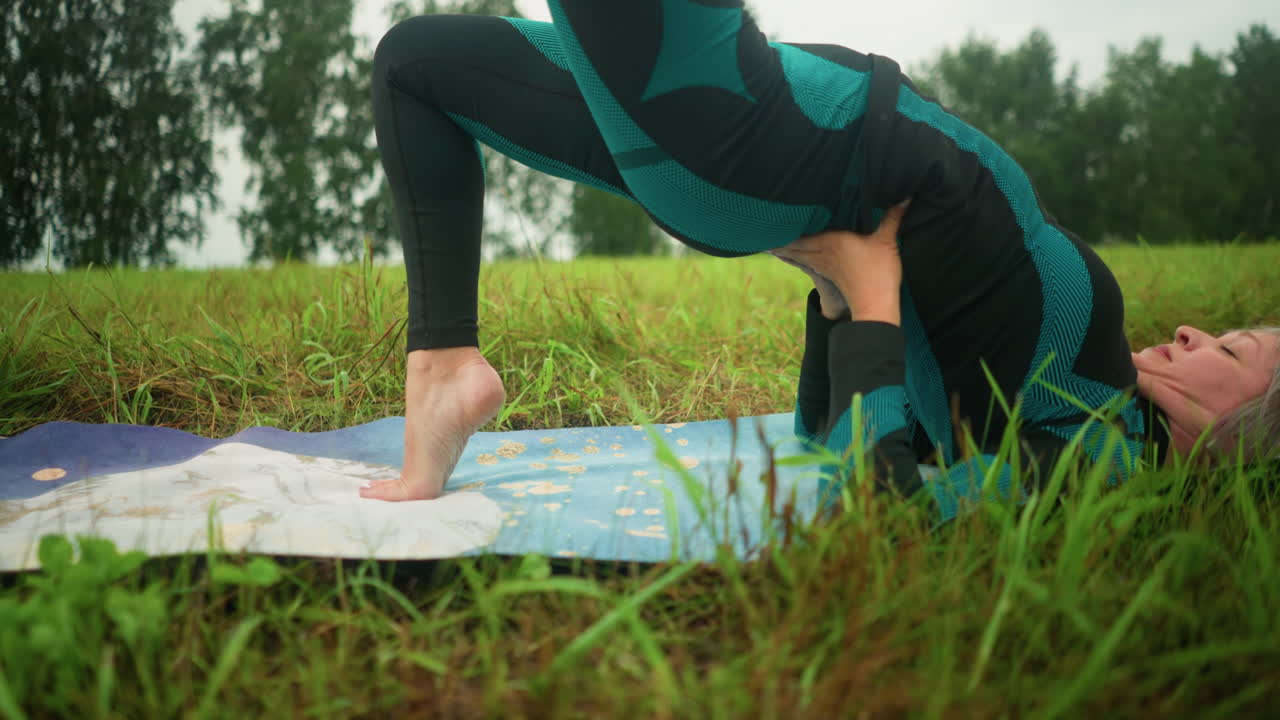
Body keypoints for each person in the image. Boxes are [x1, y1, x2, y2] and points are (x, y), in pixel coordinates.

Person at [359, 2, 1279, 520]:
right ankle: (446, 364)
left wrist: (866, 302)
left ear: (1246, 440)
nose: (1196, 331)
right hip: (767, 123)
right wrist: (840, 296)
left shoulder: (1103, 458)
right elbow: (819, 433)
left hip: (746, 130)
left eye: (1232, 353)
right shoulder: (1077, 402)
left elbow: (890, 519)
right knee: (414, 65)